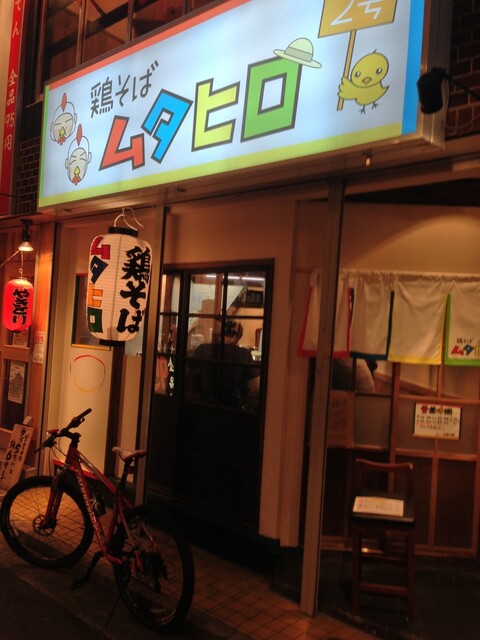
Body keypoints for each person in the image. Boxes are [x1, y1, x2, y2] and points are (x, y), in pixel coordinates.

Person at [191, 320, 260, 408]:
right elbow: (255, 388)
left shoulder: (203, 349)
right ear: (237, 337)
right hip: (234, 407)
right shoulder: (244, 354)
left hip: (204, 404)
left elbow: (188, 375)